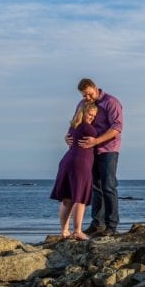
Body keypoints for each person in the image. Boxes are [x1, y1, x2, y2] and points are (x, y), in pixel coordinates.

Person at [67, 78, 124, 237]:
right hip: (88, 151)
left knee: (108, 186)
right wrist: (68, 136)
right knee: (95, 187)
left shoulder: (111, 102)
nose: (87, 98)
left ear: (95, 88)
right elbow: (75, 123)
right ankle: (97, 224)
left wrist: (97, 140)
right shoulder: (81, 104)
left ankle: (111, 226)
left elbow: (117, 127)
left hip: (108, 149)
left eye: (89, 94)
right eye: (84, 96)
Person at [50, 101, 98, 240]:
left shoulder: (73, 126)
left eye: (94, 116)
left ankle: (64, 231)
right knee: (80, 199)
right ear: (82, 112)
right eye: (90, 114)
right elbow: (96, 140)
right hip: (80, 164)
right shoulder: (89, 129)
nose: (91, 118)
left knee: (67, 198)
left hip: (67, 161)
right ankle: (77, 231)